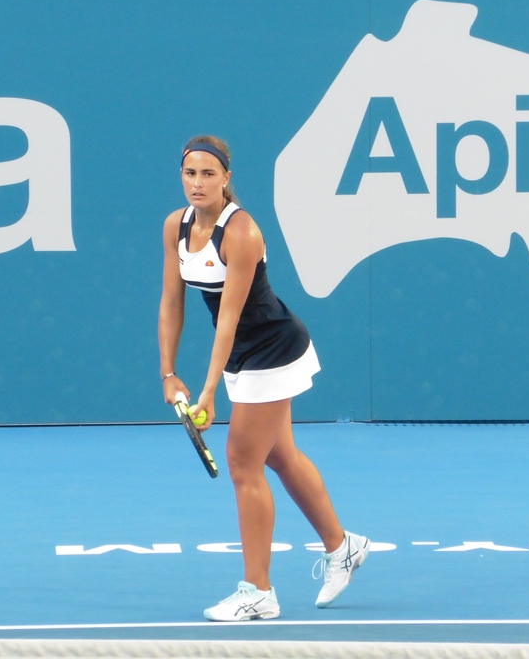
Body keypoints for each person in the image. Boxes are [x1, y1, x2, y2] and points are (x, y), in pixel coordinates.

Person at [158, 135, 370, 622]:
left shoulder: (242, 233)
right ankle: (344, 548)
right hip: (241, 355)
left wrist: (207, 392)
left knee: (242, 462)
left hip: (273, 350)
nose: (198, 183)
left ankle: (258, 591)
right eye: (190, 173)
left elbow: (228, 319)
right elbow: (172, 302)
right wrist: (169, 373)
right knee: (280, 455)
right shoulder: (176, 226)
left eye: (209, 174)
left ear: (226, 178)